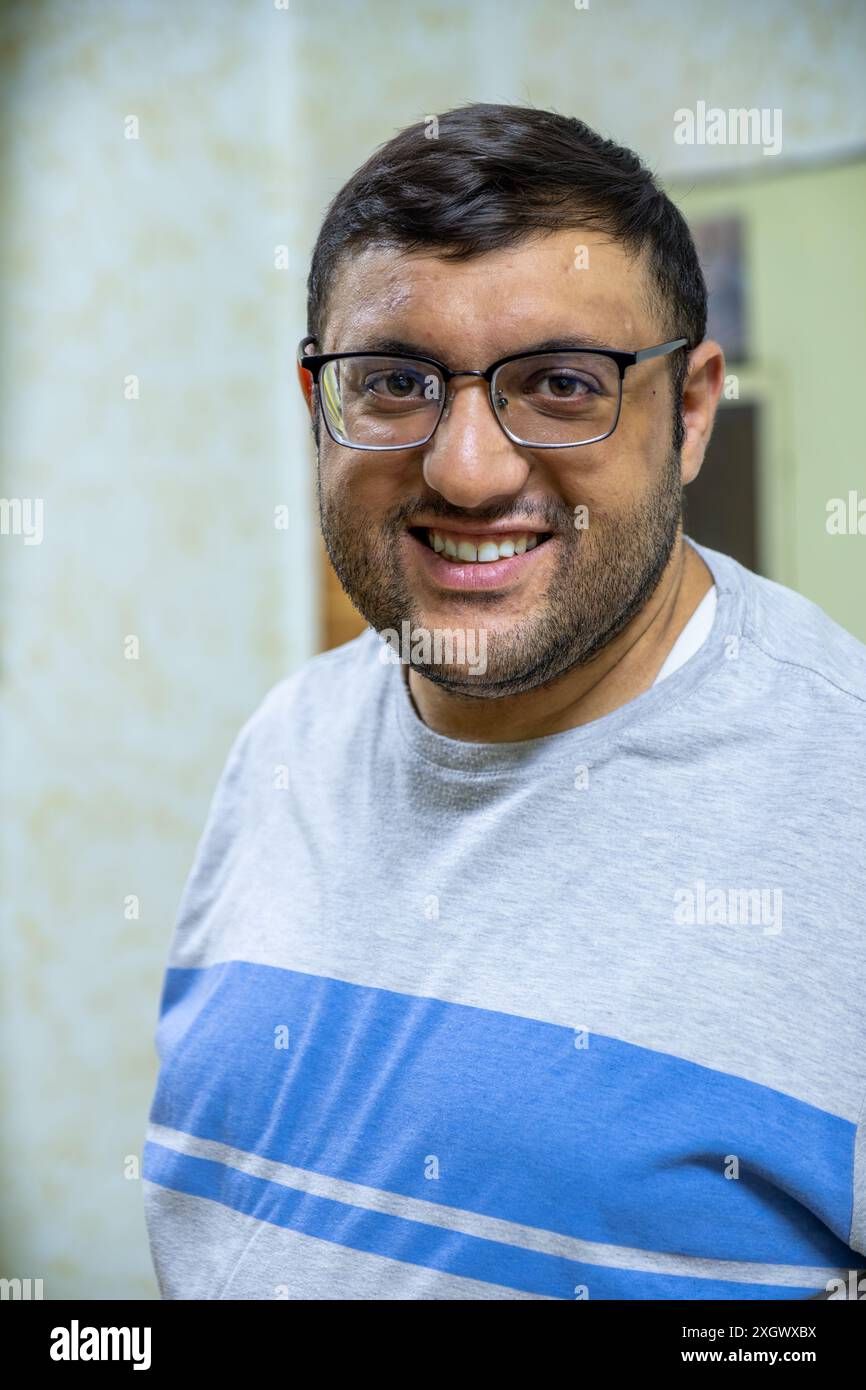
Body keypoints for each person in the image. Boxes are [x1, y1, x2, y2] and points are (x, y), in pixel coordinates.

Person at [143, 103, 866, 1301]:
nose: (466, 469)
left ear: (688, 411)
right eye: (392, 382)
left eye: (562, 383)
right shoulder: (283, 743)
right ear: (316, 401)